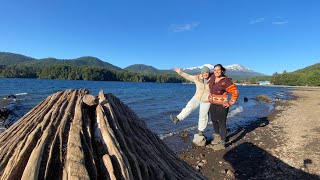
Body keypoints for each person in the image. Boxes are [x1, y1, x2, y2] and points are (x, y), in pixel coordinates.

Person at [170, 66, 211, 146]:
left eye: (207, 72)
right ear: (202, 73)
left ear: (209, 73)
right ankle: (177, 119)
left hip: (206, 100)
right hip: (197, 97)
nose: (206, 74)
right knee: (188, 107)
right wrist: (180, 72)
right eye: (204, 72)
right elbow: (188, 76)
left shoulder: (212, 79)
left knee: (203, 116)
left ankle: (200, 132)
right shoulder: (197, 78)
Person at [206, 64, 239, 150]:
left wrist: (230, 103)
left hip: (222, 105)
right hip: (212, 104)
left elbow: (235, 92)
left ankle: (222, 142)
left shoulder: (226, 81)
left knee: (222, 122)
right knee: (213, 120)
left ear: (222, 71)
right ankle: (217, 138)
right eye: (215, 70)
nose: (216, 71)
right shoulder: (212, 77)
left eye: (218, 70)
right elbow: (204, 75)